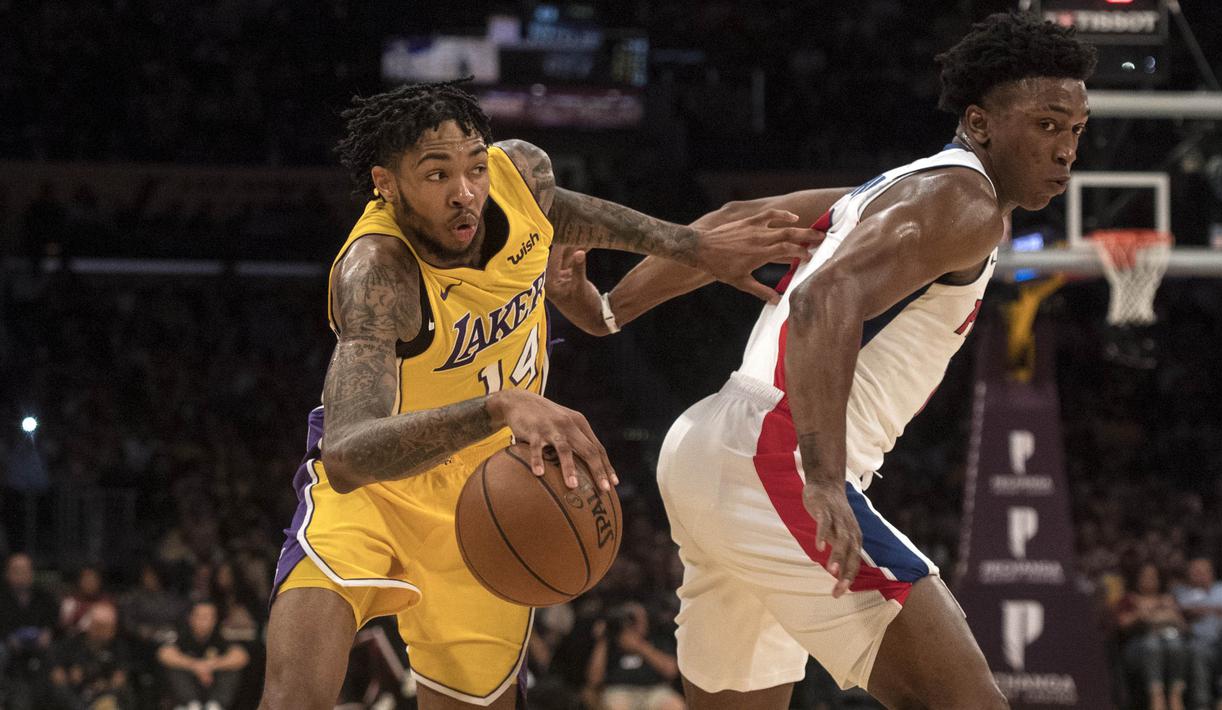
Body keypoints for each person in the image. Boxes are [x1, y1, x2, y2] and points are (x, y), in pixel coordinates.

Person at [558, 12, 1095, 708]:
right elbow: (822, 301)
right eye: (1047, 125)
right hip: (771, 463)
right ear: (980, 121)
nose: (1064, 152)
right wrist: (820, 476)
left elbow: (740, 221)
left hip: (709, 451)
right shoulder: (964, 201)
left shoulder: (898, 189)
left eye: (1075, 132)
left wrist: (608, 309)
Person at [259, 80, 819, 710]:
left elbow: (566, 213)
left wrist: (694, 246)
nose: (465, 190)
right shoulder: (377, 272)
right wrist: (500, 406)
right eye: (436, 174)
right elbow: (347, 453)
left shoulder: (520, 174)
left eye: (474, 166)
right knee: (294, 695)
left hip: (488, 493)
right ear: (387, 184)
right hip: (373, 492)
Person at [586, 602, 685, 710]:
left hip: (655, 690)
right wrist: (602, 640)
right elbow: (594, 680)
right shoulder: (610, 645)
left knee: (675, 706)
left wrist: (640, 647)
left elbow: (671, 671)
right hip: (619, 691)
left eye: (635, 619)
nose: (631, 624)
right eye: (627, 619)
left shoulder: (656, 640)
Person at [1118, 563, 1189, 710]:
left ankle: (1175, 694)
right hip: (1138, 648)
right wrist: (1141, 615)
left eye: (1152, 577)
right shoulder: (1130, 599)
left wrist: (1167, 614)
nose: (1149, 580)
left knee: (1175, 643)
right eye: (1145, 577)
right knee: (1152, 643)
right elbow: (1122, 624)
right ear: (1137, 579)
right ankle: (1156, 696)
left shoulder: (1168, 599)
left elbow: (1183, 627)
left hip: (1168, 645)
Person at [157, 601, 250, 710]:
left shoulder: (220, 635)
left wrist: (210, 666)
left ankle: (215, 705)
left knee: (232, 668)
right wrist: (195, 665)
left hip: (213, 688)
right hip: (188, 689)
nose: (205, 621)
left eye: (209, 616)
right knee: (174, 666)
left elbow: (241, 656)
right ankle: (191, 704)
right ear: (191, 618)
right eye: (200, 616)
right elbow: (164, 653)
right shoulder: (182, 634)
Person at [47, 602, 134, 710]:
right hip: (75, 694)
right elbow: (55, 666)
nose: (102, 631)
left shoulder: (119, 647)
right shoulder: (72, 643)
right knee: (57, 687)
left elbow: (120, 676)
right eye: (98, 626)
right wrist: (63, 674)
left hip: (104, 694)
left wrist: (107, 685)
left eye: (108, 627)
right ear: (90, 625)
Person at [0, 552, 59, 710]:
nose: (21, 575)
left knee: (56, 651)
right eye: (16, 570)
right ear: (7, 573)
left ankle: (59, 695)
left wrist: (47, 632)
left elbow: (53, 619)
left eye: (25, 570)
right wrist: (7, 637)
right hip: (9, 644)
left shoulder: (44, 595)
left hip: (39, 642)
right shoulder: (2, 596)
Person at [1174, 557, 1222, 710]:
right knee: (1199, 652)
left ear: (1211, 573)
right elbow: (1183, 611)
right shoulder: (1184, 592)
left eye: (1202, 572)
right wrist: (1212, 609)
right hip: (1200, 642)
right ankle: (1202, 704)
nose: (1198, 575)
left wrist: (1220, 612)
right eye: (1194, 572)